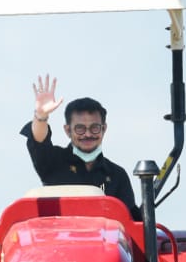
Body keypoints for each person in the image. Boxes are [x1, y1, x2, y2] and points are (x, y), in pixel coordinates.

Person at [20, 74, 140, 219]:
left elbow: (130, 222)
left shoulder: (117, 175)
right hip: (58, 233)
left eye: (94, 128)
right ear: (67, 130)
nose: (88, 134)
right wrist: (41, 115)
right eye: (80, 128)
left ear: (104, 129)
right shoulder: (53, 161)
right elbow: (39, 140)